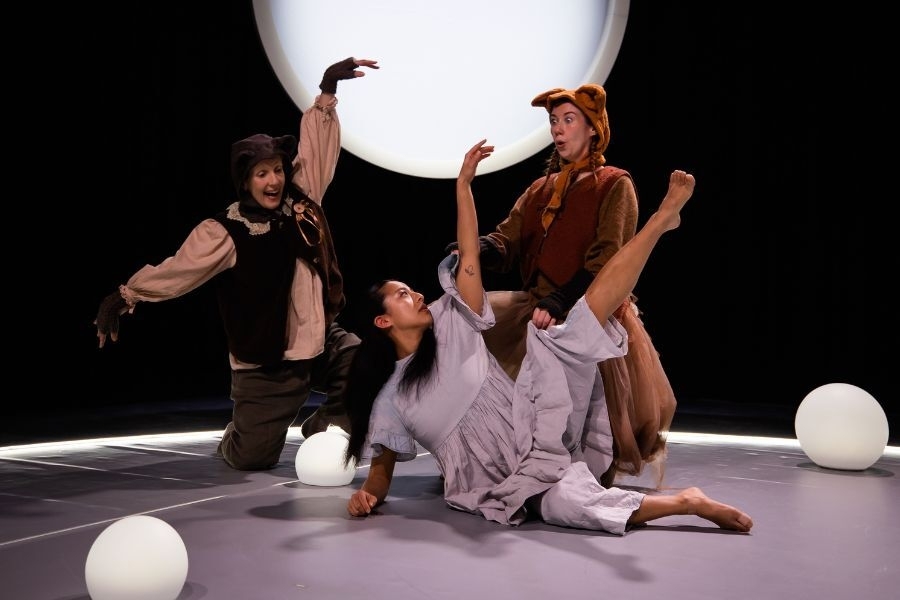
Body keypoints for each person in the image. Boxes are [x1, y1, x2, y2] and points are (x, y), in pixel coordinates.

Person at [342, 140, 753, 536]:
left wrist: (463, 186)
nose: (415, 294)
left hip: (539, 424)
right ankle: (687, 502)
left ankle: (660, 221)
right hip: (499, 479)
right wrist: (367, 496)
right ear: (382, 322)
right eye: (401, 295)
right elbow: (380, 475)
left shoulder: (453, 321)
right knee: (561, 504)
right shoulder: (390, 398)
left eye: (411, 289)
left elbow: (468, 258)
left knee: (571, 329)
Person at [94, 57, 378, 470]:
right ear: (246, 181)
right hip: (268, 366)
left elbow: (316, 149)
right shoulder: (225, 232)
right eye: (262, 173)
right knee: (252, 461)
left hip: (319, 347)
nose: (274, 181)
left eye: (278, 170)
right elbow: (179, 271)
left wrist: (328, 90)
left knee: (363, 358)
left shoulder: (302, 200)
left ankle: (326, 423)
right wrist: (127, 296)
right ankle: (239, 436)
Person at [449, 84, 676, 488]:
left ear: (593, 129)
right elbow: (508, 240)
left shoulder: (613, 184)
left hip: (589, 313)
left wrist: (561, 297)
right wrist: (478, 249)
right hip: (539, 311)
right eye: (554, 121)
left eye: (569, 119)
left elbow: (610, 258)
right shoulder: (539, 189)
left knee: (593, 424)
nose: (558, 128)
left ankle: (585, 482)